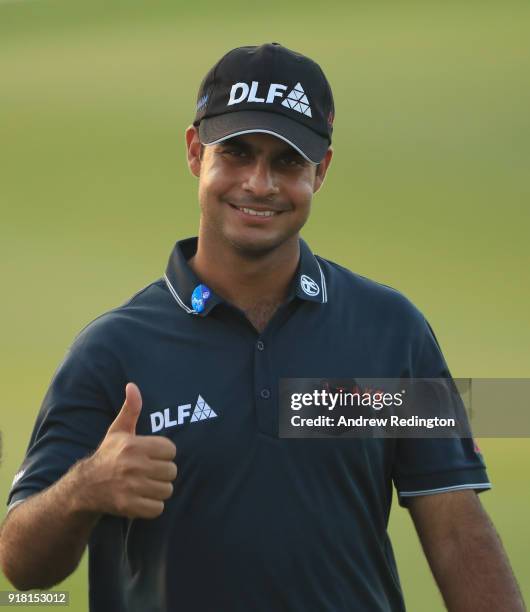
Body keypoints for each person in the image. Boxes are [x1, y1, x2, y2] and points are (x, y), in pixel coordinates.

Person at [0, 43, 525, 612]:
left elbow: (455, 532)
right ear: (195, 153)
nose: (259, 184)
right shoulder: (113, 350)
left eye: (288, 162)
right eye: (238, 153)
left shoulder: (387, 332)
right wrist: (86, 489)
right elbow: (22, 568)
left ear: (320, 172)